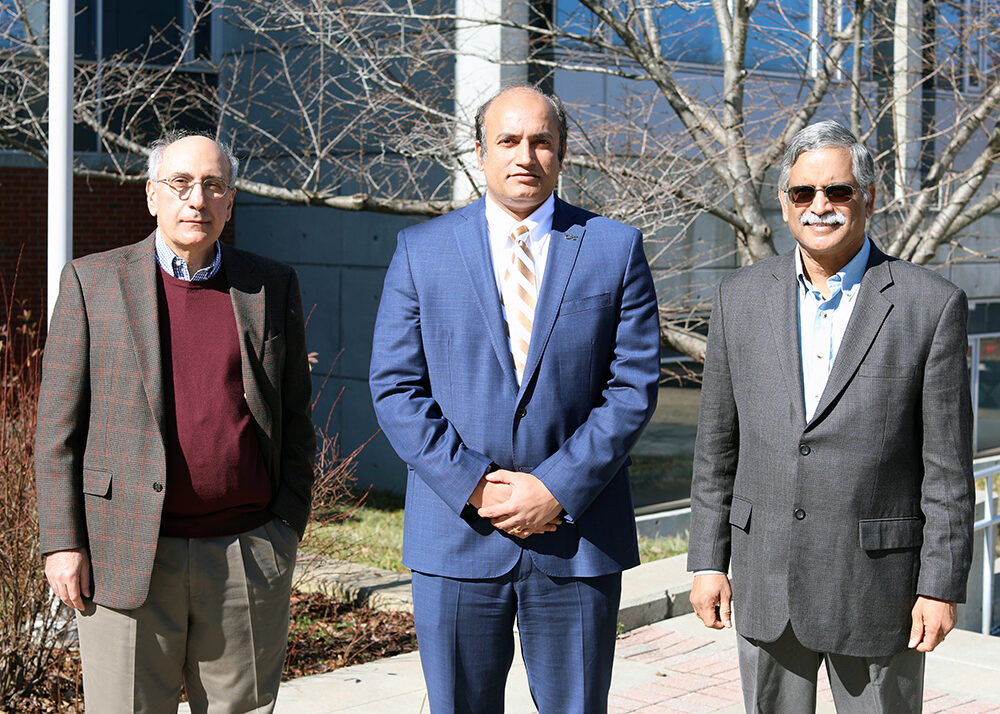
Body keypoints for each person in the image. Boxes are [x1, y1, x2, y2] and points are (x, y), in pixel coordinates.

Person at [369, 85, 660, 713]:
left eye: (541, 141)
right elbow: (396, 387)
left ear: (560, 153)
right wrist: (477, 486)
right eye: (508, 140)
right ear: (480, 151)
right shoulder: (421, 252)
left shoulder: (614, 248)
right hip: (455, 535)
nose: (524, 155)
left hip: (576, 539)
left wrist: (555, 487)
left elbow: (632, 387)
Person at [688, 120, 975, 712]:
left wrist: (940, 586)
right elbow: (717, 446)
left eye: (838, 191)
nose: (821, 206)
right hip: (765, 577)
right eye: (803, 193)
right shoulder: (736, 298)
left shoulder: (930, 304)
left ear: (867, 199)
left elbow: (946, 469)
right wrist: (707, 561)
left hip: (878, 587)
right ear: (785, 203)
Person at [35, 132, 316, 713]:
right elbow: (58, 429)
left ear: (230, 201)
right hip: (127, 555)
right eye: (181, 183)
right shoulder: (94, 283)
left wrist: (284, 527)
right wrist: (63, 543)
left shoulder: (269, 285)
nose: (197, 199)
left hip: (246, 554)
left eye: (214, 186)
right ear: (151, 196)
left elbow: (294, 417)